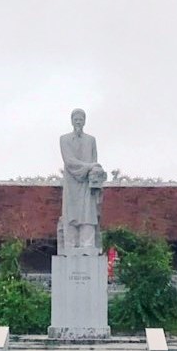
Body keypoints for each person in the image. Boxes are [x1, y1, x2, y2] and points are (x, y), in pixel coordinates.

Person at [59, 108, 105, 253]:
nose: (78, 122)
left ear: (84, 121)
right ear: (71, 121)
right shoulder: (64, 139)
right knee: (71, 214)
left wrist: (95, 170)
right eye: (76, 119)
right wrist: (90, 166)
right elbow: (69, 161)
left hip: (86, 184)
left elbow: (94, 160)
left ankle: (87, 244)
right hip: (71, 182)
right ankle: (71, 245)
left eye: (81, 119)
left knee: (88, 213)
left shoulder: (91, 140)